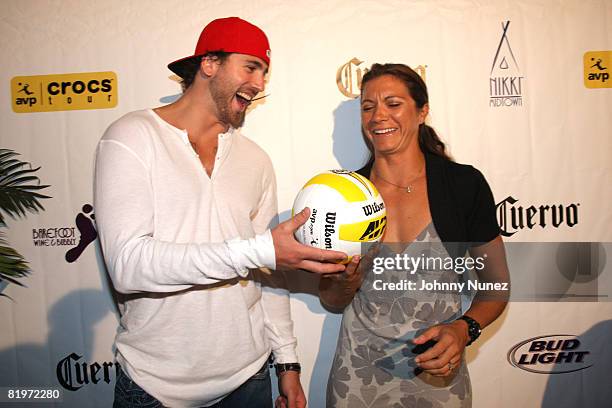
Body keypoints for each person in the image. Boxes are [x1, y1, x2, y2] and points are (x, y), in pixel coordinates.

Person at [94, 17, 347, 408]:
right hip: (156, 388)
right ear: (209, 64)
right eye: (250, 67)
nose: (261, 83)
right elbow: (128, 265)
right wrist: (259, 251)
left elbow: (270, 275)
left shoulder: (255, 159)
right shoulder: (131, 137)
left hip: (249, 380)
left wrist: (288, 365)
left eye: (264, 72)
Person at [321, 63, 510, 407]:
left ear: (422, 111)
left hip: (438, 375)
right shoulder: (343, 196)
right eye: (368, 107)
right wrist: (346, 282)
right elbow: (332, 301)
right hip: (359, 375)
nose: (378, 116)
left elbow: (496, 286)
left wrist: (463, 329)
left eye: (393, 104)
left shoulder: (463, 185)